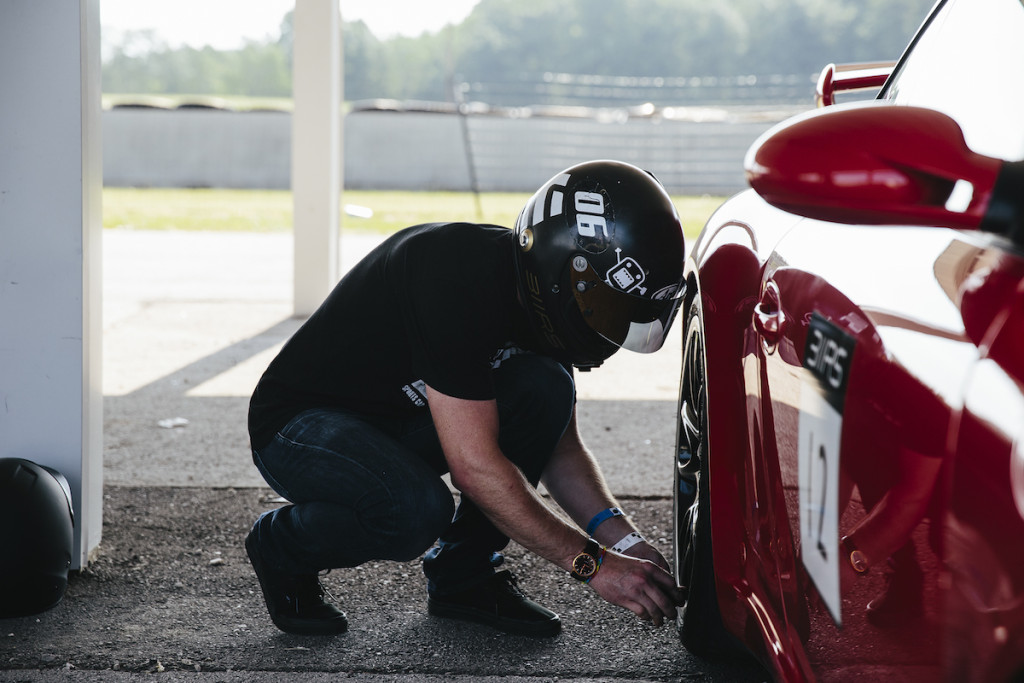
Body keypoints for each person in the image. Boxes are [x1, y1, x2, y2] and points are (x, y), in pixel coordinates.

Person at [245, 159, 686, 638]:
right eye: (607, 304)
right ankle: (280, 545)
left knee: (547, 387)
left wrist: (627, 542)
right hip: (299, 427)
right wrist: (595, 566)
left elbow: (562, 450)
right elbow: (474, 469)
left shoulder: (536, 295)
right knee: (413, 510)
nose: (610, 325)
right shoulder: (451, 275)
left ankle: (464, 577)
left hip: (401, 421)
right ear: (563, 270)